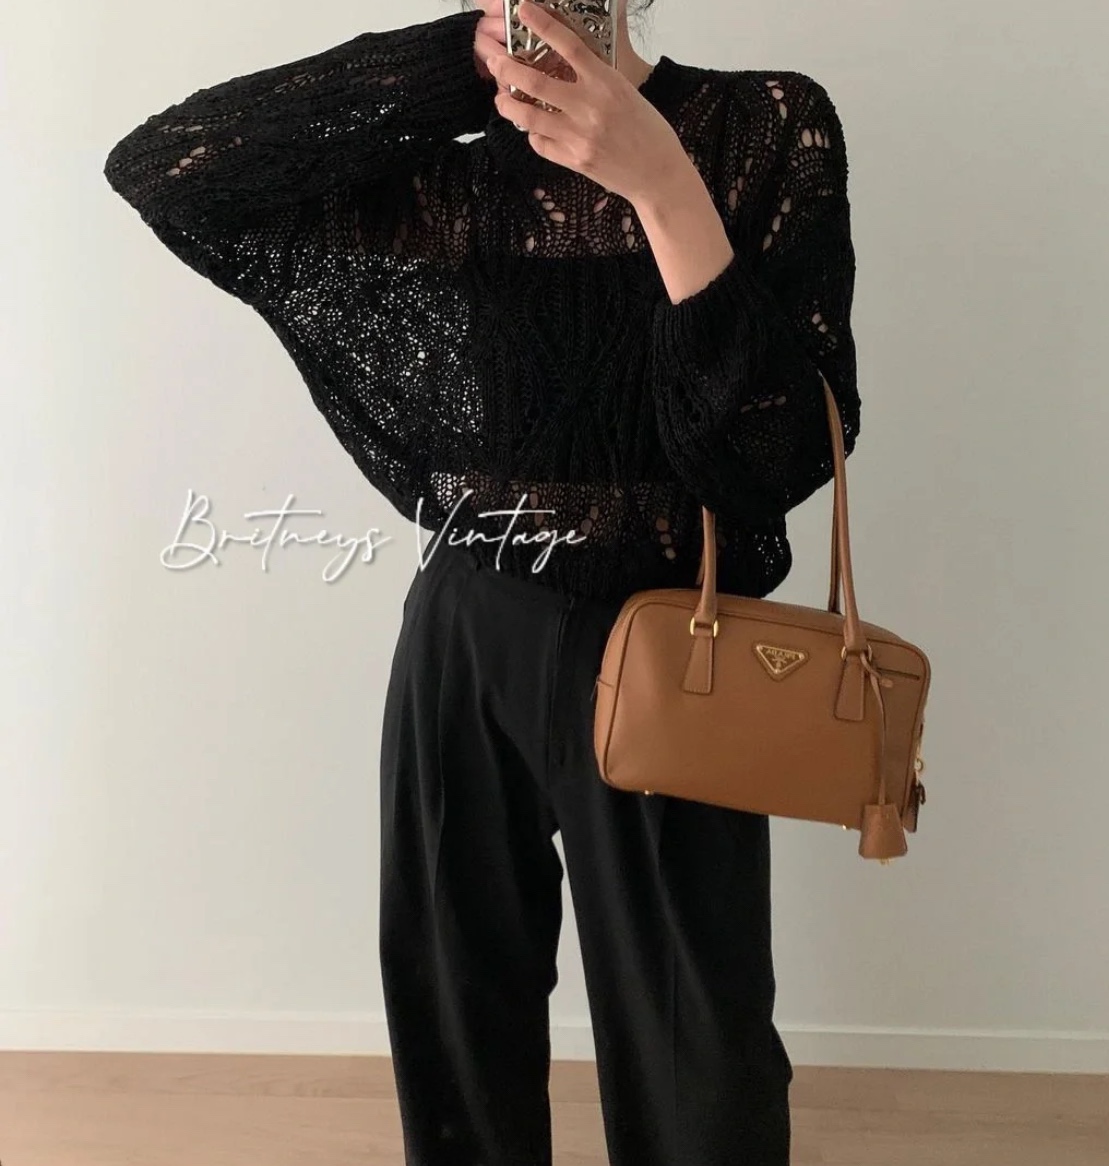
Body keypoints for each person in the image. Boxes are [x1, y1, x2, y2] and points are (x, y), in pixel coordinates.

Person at [102, 1, 860, 1162]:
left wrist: (662, 183)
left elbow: (781, 455)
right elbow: (169, 170)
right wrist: (462, 64)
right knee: (455, 1010)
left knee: (697, 1050)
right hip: (467, 629)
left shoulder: (762, 124)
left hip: (678, 642)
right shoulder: (453, 178)